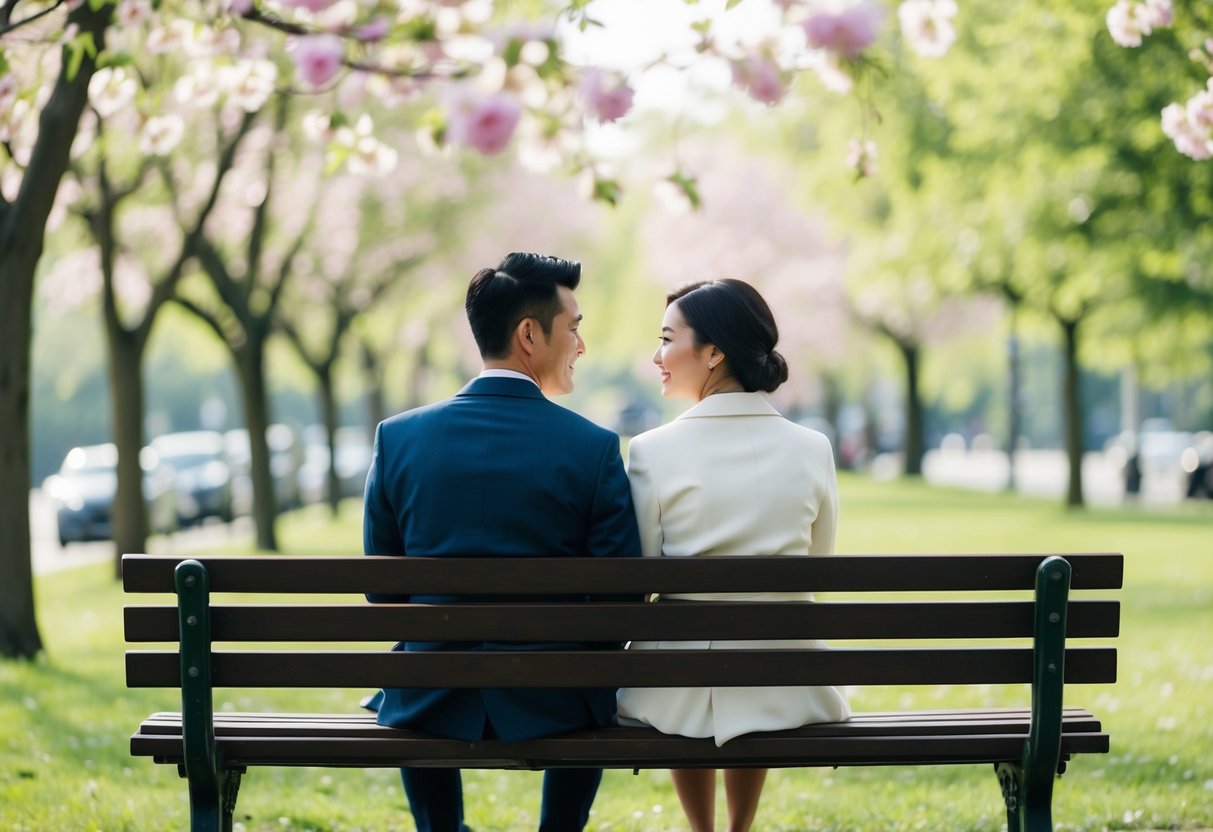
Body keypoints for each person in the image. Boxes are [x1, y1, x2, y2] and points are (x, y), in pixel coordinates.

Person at [362, 252, 642, 832]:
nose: (582, 344)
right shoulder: (591, 448)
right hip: (557, 700)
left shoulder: (398, 439)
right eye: (575, 327)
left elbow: (383, 595)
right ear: (529, 335)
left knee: (411, 669)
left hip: (429, 698)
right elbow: (619, 613)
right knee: (590, 670)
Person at [616, 278, 850, 832]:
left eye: (668, 338)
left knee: (684, 671)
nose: (657, 355)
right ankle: (739, 828)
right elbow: (820, 562)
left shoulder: (652, 451)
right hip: (786, 677)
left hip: (675, 682)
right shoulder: (813, 447)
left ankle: (703, 830)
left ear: (715, 352)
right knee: (757, 660)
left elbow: (642, 570)